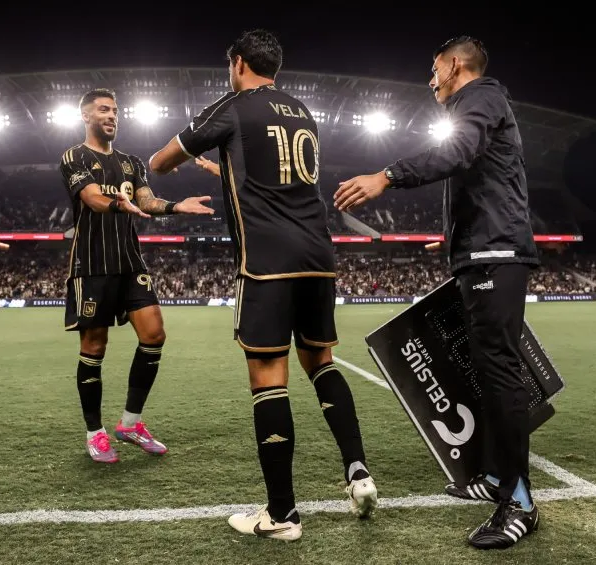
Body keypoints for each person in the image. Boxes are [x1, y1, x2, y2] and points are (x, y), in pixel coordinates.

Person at [149, 29, 377, 541]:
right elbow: (271, 179)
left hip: (268, 262)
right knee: (321, 362)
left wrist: (188, 153)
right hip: (319, 257)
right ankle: (358, 471)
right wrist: (222, 166)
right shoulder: (302, 111)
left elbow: (159, 162)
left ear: (237, 63)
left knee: (268, 378)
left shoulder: (232, 105)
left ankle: (281, 516)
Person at [334, 36, 540, 549]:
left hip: (497, 253)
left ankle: (520, 501)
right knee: (486, 371)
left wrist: (387, 175)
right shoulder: (478, 104)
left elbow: (459, 151)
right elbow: (479, 172)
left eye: (433, 67)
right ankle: (495, 476)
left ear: (453, 64)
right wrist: (450, 237)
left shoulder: (483, 96)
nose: (430, 78)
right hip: (481, 251)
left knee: (499, 370)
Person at [59, 88, 215, 464]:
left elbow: (146, 201)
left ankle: (130, 423)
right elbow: (93, 198)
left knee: (154, 335)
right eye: (103, 110)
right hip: (92, 265)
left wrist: (177, 206)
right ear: (86, 116)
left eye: (115, 110)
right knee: (94, 349)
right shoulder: (74, 156)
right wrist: (119, 203)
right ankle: (95, 433)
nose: (112, 116)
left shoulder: (131, 163)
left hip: (131, 264)